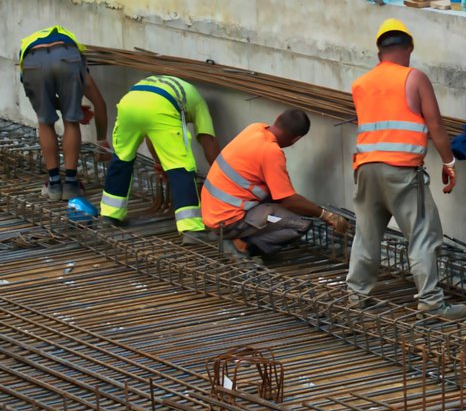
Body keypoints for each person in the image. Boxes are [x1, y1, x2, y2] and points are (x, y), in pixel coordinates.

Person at [346, 18, 466, 320]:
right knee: (423, 235)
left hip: (365, 169)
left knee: (366, 235)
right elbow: (435, 126)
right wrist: (449, 162)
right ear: (410, 47)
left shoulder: (361, 84)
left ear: (378, 53)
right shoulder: (414, 78)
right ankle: (431, 304)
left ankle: (355, 298)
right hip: (401, 171)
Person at [201, 109, 349, 257]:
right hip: (229, 220)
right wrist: (326, 215)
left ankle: (235, 235)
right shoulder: (271, 151)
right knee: (301, 223)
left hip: (212, 211)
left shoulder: (255, 128)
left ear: (277, 118)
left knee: (280, 207)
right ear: (295, 139)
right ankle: (242, 244)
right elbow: (289, 201)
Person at [100, 75, 220, 242]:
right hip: (161, 106)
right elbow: (208, 140)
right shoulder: (199, 103)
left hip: (129, 102)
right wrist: (221, 177)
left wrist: (161, 163)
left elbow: (152, 135)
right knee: (181, 168)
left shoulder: (172, 87)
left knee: (122, 159)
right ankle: (191, 229)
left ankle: (110, 215)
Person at [18, 25, 109, 200]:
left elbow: (45, 103)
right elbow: (99, 102)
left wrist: (64, 105)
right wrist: (101, 141)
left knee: (44, 121)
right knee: (71, 121)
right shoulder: (76, 53)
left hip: (32, 61)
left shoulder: (26, 45)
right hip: (67, 58)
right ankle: (71, 184)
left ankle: (53, 185)